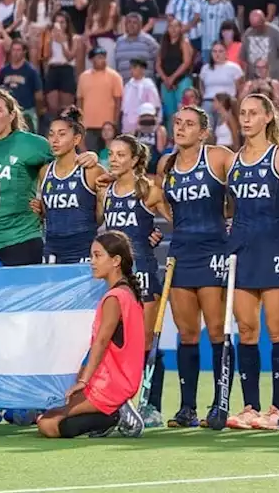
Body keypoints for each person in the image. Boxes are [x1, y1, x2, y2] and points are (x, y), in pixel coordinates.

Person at [223, 94, 279, 430]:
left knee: (277, 329)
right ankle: (250, 406)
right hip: (241, 248)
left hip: (274, 246)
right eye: (243, 113)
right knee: (247, 330)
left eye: (254, 113)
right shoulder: (233, 160)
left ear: (268, 117)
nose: (247, 118)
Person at [159, 105, 235, 428]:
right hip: (181, 251)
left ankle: (221, 404)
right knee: (187, 333)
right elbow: (161, 200)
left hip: (213, 250)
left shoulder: (218, 157)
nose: (181, 128)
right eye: (178, 123)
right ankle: (187, 407)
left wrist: (232, 219)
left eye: (189, 124)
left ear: (203, 132)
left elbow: (242, 190)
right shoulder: (167, 163)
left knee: (216, 330)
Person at [0, 90, 97, 267]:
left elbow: (64, 162)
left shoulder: (34, 144)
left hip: (20, 239)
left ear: (11, 115)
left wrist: (90, 156)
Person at [36, 231, 145, 438]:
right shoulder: (126, 293)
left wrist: (83, 381)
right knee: (49, 419)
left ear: (116, 261)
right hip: (114, 381)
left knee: (47, 424)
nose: (92, 262)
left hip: (109, 385)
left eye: (97, 256)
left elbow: (102, 342)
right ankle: (109, 415)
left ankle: (114, 414)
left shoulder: (114, 297)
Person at [103, 135, 170, 426]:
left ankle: (151, 404)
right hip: (116, 279)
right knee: (117, 342)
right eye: (111, 154)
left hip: (143, 273)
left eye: (120, 155)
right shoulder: (105, 191)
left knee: (145, 342)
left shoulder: (149, 191)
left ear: (134, 160)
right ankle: (120, 402)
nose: (114, 159)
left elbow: (178, 219)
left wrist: (157, 236)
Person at [39, 108, 104, 264]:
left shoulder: (92, 170)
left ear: (76, 139)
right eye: (51, 134)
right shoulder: (44, 171)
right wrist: (38, 210)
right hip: (52, 247)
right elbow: (46, 213)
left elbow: (100, 218)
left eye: (61, 134)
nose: (55, 140)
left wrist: (102, 200)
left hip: (83, 247)